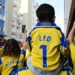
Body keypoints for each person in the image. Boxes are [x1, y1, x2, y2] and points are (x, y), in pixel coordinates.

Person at [18, 3, 72, 75]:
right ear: (54, 18)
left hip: (35, 70)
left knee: (29, 59)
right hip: (54, 71)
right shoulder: (58, 32)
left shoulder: (33, 32)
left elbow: (29, 49)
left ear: (38, 19)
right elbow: (65, 51)